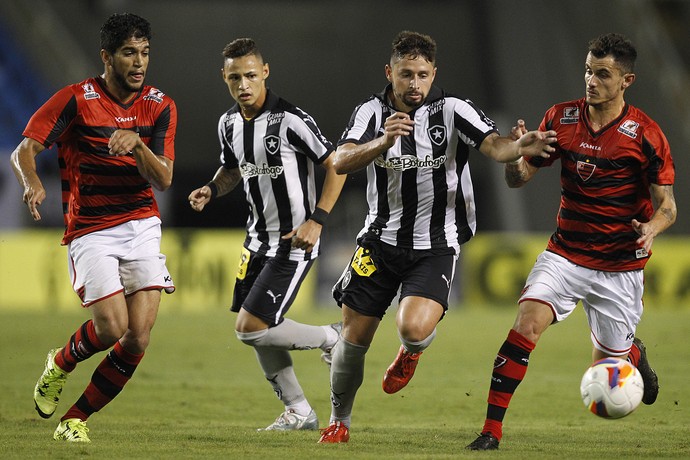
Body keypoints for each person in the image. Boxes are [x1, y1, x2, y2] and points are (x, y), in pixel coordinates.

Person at [317, 30, 557, 443]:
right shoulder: (371, 112)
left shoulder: (453, 109)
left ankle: (410, 353)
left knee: (412, 328)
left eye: (422, 75)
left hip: (437, 245)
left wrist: (520, 147)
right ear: (389, 72)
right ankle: (340, 421)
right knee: (353, 339)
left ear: (434, 74)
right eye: (406, 74)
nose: (414, 83)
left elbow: (495, 147)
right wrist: (383, 140)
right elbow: (340, 160)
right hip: (379, 241)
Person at [466, 33, 677, 451]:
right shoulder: (560, 119)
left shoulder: (647, 135)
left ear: (627, 81)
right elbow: (518, 179)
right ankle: (490, 431)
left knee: (608, 367)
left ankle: (631, 352)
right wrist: (518, 154)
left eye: (602, 74)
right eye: (587, 70)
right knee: (526, 324)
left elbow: (667, 206)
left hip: (620, 266)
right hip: (565, 254)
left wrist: (652, 228)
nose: (591, 81)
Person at [10, 13, 177, 443]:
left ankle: (74, 419)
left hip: (141, 223)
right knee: (111, 328)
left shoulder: (159, 106)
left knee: (137, 338)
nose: (139, 63)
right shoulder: (75, 100)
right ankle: (60, 364)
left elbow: (163, 179)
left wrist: (137, 143)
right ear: (106, 57)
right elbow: (25, 150)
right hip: (91, 229)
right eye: (128, 53)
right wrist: (32, 183)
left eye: (144, 53)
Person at [188, 38, 346, 431]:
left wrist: (317, 220)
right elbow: (232, 170)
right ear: (223, 77)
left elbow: (337, 165)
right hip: (255, 242)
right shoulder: (228, 124)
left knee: (250, 328)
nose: (244, 84)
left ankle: (332, 337)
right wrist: (211, 188)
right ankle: (299, 411)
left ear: (266, 73)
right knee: (259, 331)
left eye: (251, 76)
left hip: (294, 242)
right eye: (235, 77)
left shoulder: (291, 120)